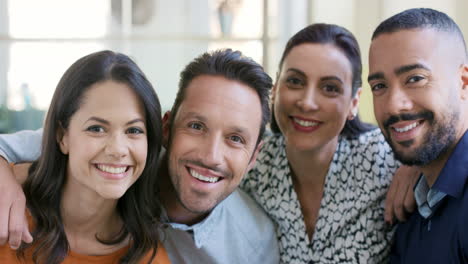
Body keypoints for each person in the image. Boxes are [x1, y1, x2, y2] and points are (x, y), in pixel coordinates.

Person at [0, 49, 280, 263]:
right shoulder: (123, 155)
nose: (211, 155)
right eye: (196, 126)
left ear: (255, 155)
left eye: (235, 139)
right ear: (166, 128)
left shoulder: (252, 243)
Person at [240, 23, 417, 263]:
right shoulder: (249, 163)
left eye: (330, 88)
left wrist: (418, 163)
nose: (307, 102)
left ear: (354, 102)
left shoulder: (384, 159)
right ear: (276, 89)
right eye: (295, 81)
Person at [0, 50, 170, 263]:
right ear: (62, 136)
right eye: (97, 128)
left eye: (134, 130)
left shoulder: (149, 256)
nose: (118, 149)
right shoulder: (7, 213)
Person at [368, 8, 468, 263]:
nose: (393, 105)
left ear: (463, 83)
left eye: (415, 78)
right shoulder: (411, 198)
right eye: (379, 86)